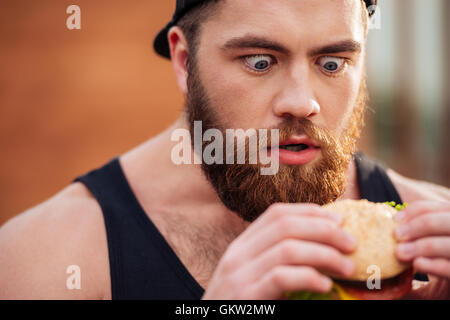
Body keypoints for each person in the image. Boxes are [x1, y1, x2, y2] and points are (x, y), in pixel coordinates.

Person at [0, 0, 449, 300]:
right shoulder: (44, 260)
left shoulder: (432, 235)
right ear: (184, 61)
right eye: (259, 61)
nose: (301, 102)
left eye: (332, 63)